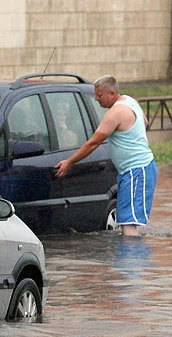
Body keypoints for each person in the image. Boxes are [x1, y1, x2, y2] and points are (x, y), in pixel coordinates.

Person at [55, 75, 156, 236]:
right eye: (95, 94)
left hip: (137, 170)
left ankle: (132, 260)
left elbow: (94, 143)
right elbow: (145, 122)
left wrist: (69, 161)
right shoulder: (130, 101)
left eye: (99, 95)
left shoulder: (115, 113)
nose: (96, 99)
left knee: (128, 223)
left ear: (112, 93)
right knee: (124, 220)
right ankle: (129, 258)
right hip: (133, 170)